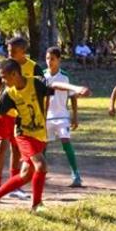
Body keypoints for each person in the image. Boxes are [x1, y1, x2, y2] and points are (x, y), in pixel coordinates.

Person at [0, 59, 89, 213]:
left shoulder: (35, 83)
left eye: (4, 76)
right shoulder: (9, 94)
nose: (2, 81)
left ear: (14, 74)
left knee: (26, 175)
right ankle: (36, 205)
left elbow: (54, 85)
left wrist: (76, 88)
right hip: (23, 134)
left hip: (40, 134)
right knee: (41, 165)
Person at [0, 36, 44, 200]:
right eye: (8, 50)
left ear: (23, 51)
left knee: (17, 150)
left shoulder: (34, 68)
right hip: (4, 114)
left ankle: (14, 185)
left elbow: (42, 91)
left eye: (13, 51)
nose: (9, 54)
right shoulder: (6, 66)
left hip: (23, 118)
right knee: (1, 146)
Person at [44, 46, 86, 187]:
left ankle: (76, 174)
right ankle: (40, 172)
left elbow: (73, 97)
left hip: (62, 115)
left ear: (59, 60)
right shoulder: (43, 75)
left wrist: (75, 116)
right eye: (47, 58)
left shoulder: (64, 76)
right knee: (42, 146)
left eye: (53, 59)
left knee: (66, 141)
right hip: (46, 116)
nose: (49, 61)